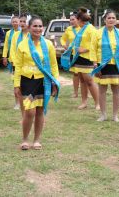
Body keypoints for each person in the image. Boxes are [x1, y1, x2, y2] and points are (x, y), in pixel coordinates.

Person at [14, 15, 60, 150]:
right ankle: (24, 139)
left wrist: (55, 82)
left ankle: (36, 140)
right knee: (29, 112)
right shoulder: (22, 45)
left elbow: (53, 65)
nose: (38, 29)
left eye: (40, 26)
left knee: (40, 111)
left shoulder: (48, 44)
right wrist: (16, 84)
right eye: (35, 26)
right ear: (29, 27)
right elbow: (18, 66)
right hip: (27, 81)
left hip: (43, 81)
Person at [90, 10, 119, 122]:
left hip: (116, 64)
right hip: (102, 65)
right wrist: (95, 65)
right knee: (102, 91)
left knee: (116, 91)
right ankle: (103, 114)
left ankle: (115, 115)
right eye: (109, 18)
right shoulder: (97, 33)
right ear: (104, 19)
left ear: (116, 20)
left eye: (113, 18)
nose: (111, 20)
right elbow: (93, 49)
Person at [63, 8, 99, 110]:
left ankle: (98, 103)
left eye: (76, 19)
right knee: (82, 81)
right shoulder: (82, 28)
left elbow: (95, 44)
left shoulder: (91, 29)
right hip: (78, 58)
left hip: (87, 58)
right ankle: (84, 102)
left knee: (90, 81)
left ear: (79, 20)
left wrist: (85, 49)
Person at [9, 14, 31, 111]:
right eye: (21, 21)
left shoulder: (31, 34)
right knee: (16, 84)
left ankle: (28, 102)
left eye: (24, 21)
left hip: (29, 64)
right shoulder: (16, 35)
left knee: (28, 84)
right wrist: (14, 61)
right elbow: (13, 49)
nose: (22, 23)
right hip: (17, 64)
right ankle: (17, 102)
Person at [60, 12, 82, 99]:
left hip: (84, 54)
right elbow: (63, 39)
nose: (71, 21)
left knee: (85, 75)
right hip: (73, 54)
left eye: (73, 19)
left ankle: (87, 92)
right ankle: (75, 93)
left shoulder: (83, 28)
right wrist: (64, 45)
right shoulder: (69, 29)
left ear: (78, 19)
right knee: (75, 74)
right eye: (70, 20)